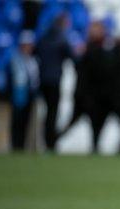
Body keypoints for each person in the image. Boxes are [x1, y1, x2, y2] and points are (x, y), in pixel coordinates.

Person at [62, 21, 116, 152]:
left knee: (96, 124)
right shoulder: (90, 50)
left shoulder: (95, 49)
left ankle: (95, 146)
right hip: (87, 95)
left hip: (95, 95)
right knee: (79, 122)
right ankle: (53, 140)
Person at [34, 13, 73, 151]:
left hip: (42, 79)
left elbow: (36, 52)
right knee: (52, 112)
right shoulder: (61, 39)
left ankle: (44, 141)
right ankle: (50, 142)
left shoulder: (43, 38)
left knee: (45, 112)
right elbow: (72, 56)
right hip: (55, 80)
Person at [8, 30, 39, 151]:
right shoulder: (15, 60)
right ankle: (15, 146)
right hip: (18, 94)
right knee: (17, 122)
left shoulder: (33, 61)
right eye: (25, 45)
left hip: (30, 94)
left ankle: (22, 147)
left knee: (26, 122)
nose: (27, 47)